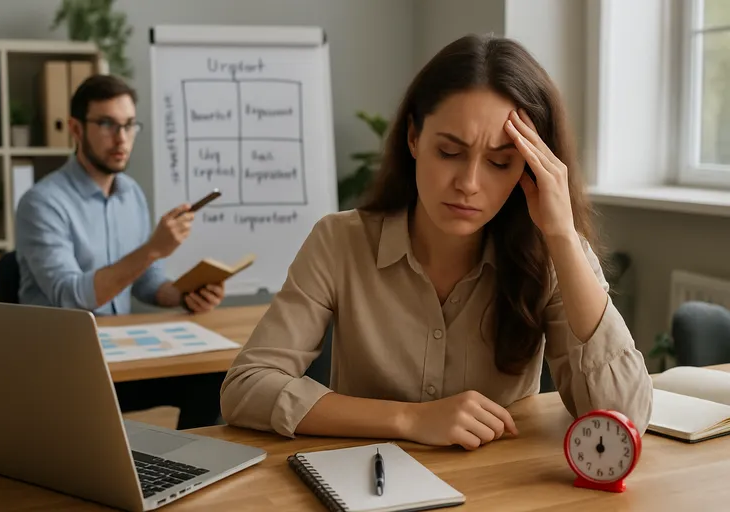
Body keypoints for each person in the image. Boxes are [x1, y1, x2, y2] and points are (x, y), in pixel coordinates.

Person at [220, 34, 653, 449]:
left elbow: (624, 419)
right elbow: (247, 387)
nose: (468, 183)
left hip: (502, 490)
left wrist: (561, 235)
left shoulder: (551, 254)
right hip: (365, 484)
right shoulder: (340, 241)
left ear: (531, 169)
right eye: (449, 152)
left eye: (501, 163)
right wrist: (409, 419)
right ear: (414, 137)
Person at [15, 74, 225, 429]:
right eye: (108, 124)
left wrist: (183, 293)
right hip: (63, 368)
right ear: (76, 129)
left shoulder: (131, 193)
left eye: (129, 125)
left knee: (213, 377)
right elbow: (72, 297)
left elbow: (145, 281)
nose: (122, 138)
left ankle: (189, 473)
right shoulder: (42, 203)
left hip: (121, 357)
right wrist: (153, 249)